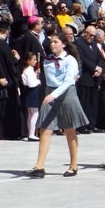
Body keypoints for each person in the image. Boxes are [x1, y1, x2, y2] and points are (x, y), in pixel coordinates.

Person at [27, 33, 90, 178]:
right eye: (51, 42)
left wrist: (53, 95)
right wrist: (48, 94)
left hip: (67, 94)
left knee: (69, 129)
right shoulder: (47, 60)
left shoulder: (70, 60)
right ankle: (39, 166)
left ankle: (73, 165)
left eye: (56, 42)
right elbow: (48, 80)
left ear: (64, 44)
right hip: (50, 94)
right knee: (44, 129)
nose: (52, 44)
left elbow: (67, 81)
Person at [19, 52, 41, 141]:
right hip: (32, 92)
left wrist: (35, 74)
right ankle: (31, 134)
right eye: (34, 60)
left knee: (31, 114)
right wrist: (38, 81)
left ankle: (30, 133)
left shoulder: (28, 70)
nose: (35, 61)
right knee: (35, 114)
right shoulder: (28, 70)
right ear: (28, 61)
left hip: (29, 93)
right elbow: (31, 84)